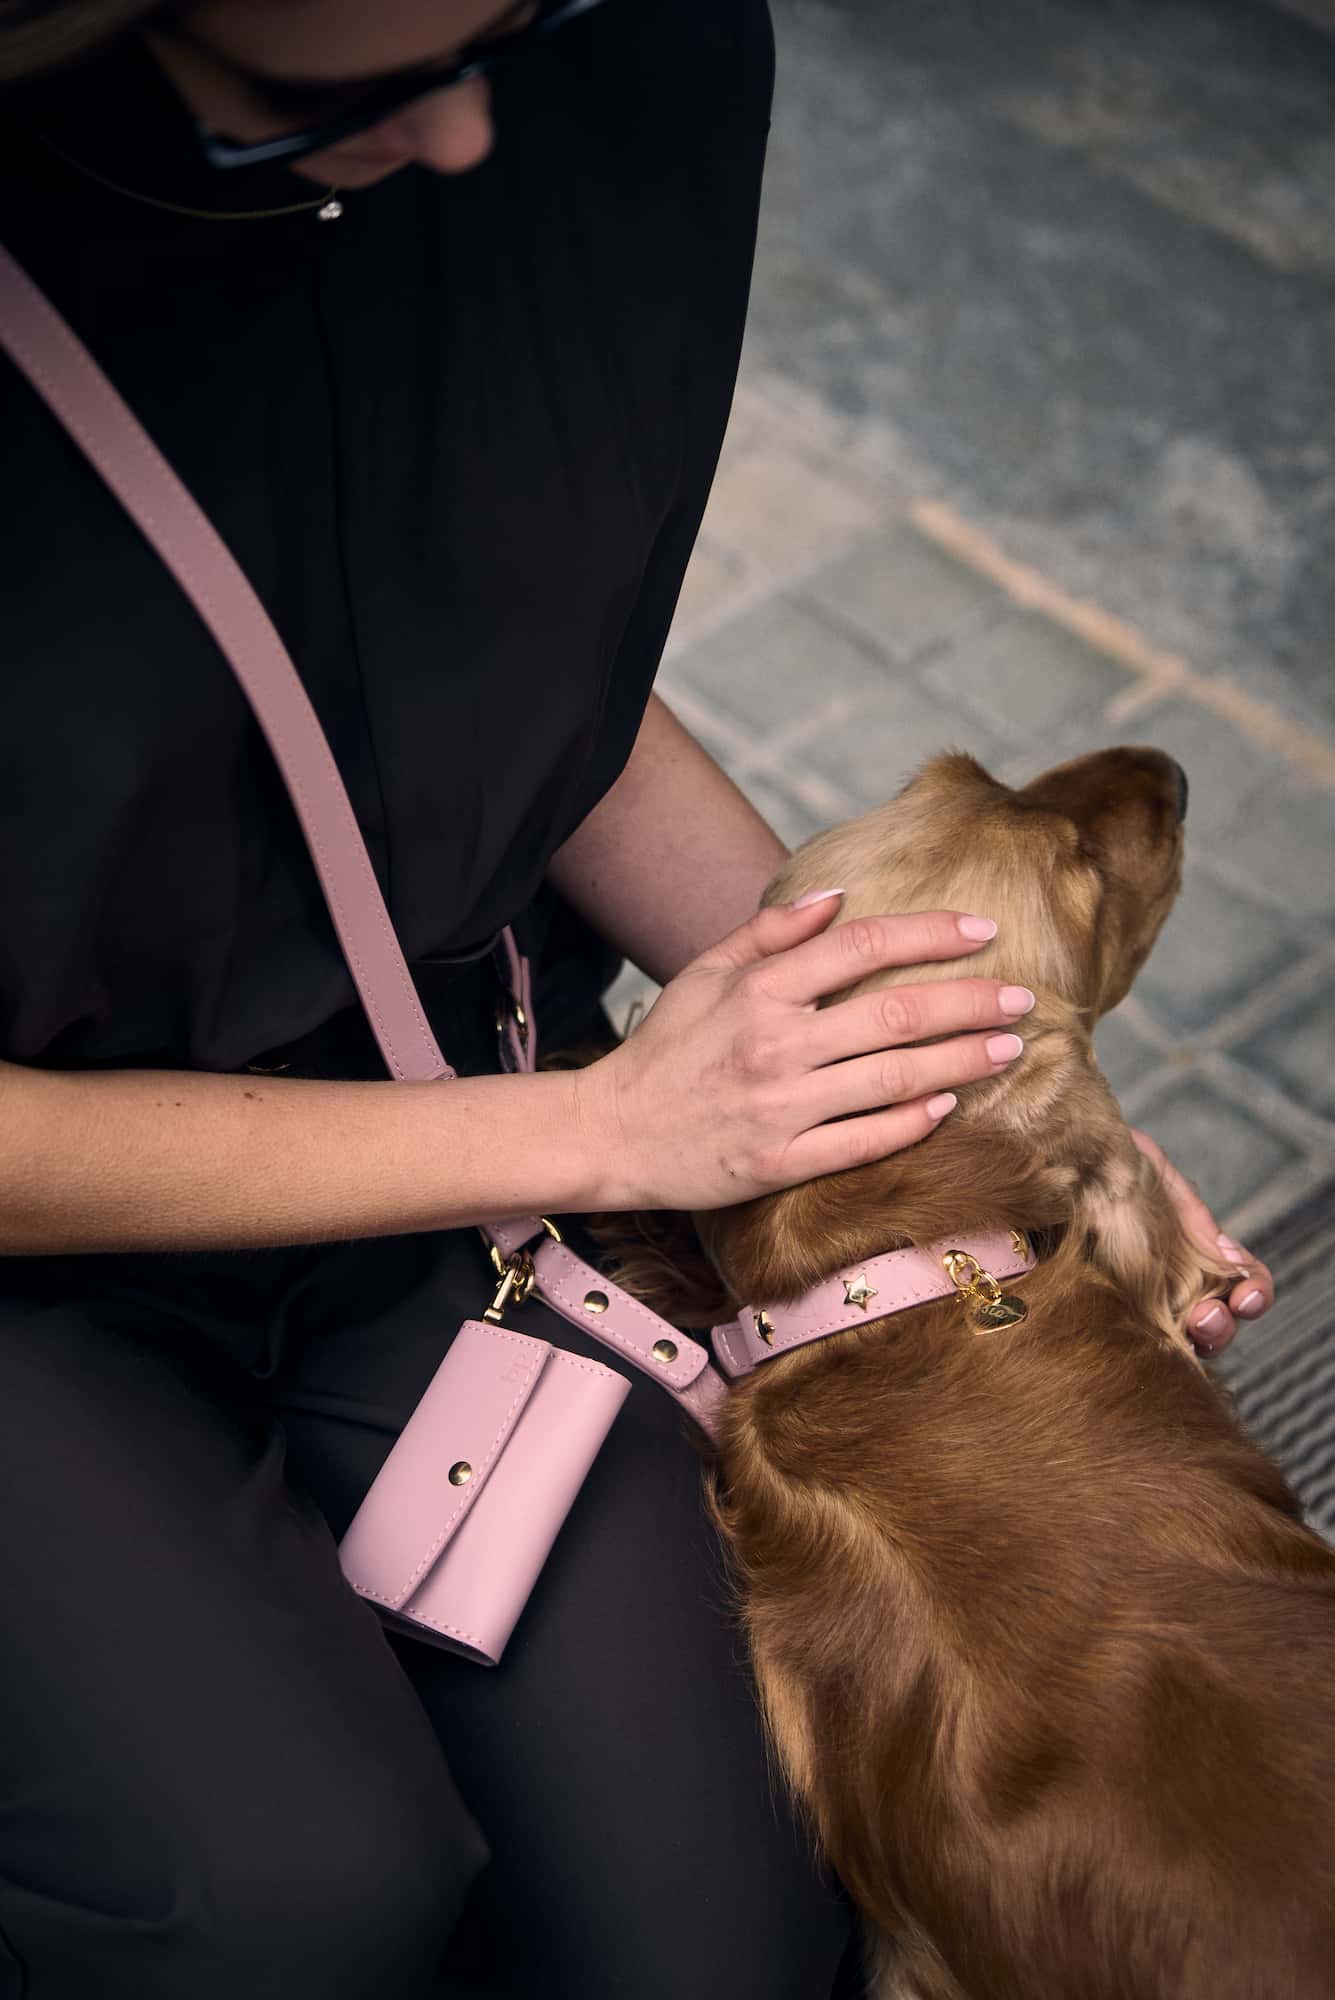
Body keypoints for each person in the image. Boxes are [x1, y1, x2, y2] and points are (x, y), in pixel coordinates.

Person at [0, 2, 1275, 1994]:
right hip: (60, 1244)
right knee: (285, 1896)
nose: (462, 146)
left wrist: (960, 1102)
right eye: (313, 107)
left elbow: (509, 680)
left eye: (535, 19)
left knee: (720, 1934)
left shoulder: (606, 87)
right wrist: (607, 1130)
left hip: (427, 1085)